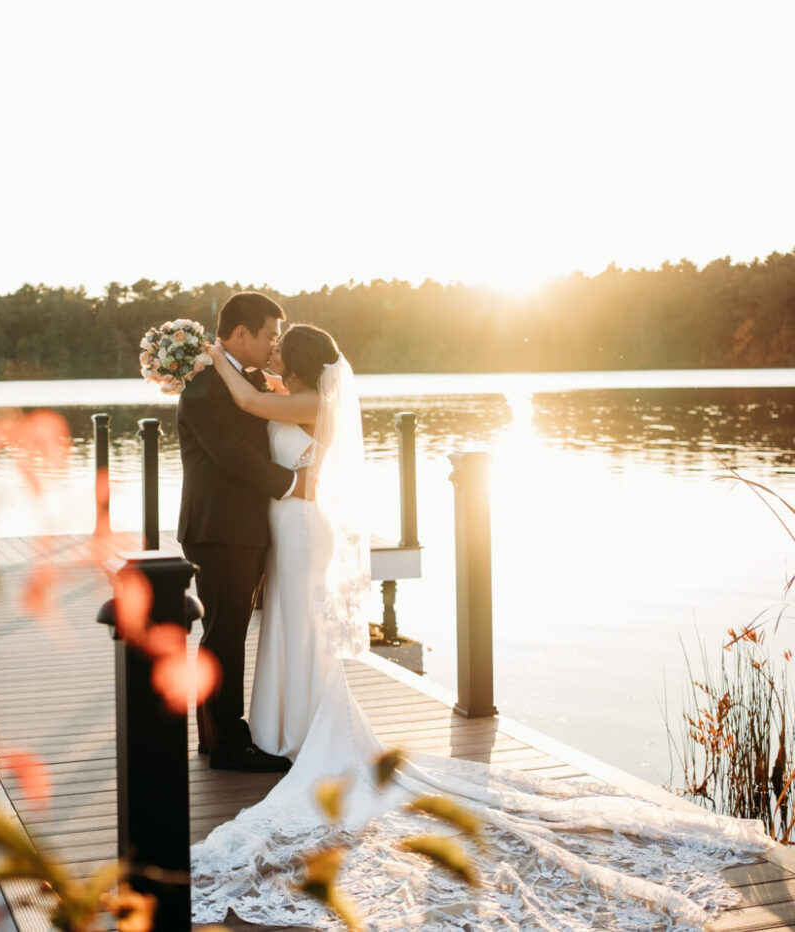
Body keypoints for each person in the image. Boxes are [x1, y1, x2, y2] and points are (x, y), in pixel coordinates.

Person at [190, 323, 772, 931]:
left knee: (301, 631)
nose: (275, 352)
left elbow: (254, 403)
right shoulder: (301, 393)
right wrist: (232, 366)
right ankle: (287, 730)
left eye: (284, 347)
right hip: (289, 528)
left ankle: (301, 733)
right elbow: (263, 399)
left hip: (304, 528)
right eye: (271, 342)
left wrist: (211, 357)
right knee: (288, 628)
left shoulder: (310, 401)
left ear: (303, 363)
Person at [177, 291, 305, 773]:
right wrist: (294, 483)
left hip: (241, 527)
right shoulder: (205, 386)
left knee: (225, 633)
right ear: (240, 335)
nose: (275, 342)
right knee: (224, 634)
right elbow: (232, 453)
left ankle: (215, 735)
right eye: (270, 334)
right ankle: (229, 743)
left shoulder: (243, 380)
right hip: (220, 528)